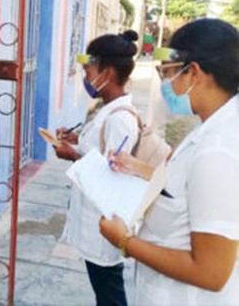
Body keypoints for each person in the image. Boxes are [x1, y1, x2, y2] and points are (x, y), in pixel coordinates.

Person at [100, 18, 239, 305]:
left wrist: (125, 242)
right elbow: (188, 189)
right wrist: (137, 167)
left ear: (195, 73)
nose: (165, 84)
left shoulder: (217, 151)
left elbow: (211, 272)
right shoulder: (211, 128)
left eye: (169, 74)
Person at [53, 30, 140, 305]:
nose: (86, 78)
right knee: (104, 293)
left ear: (109, 73)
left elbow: (112, 174)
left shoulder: (119, 120)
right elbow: (103, 152)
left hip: (104, 228)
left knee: (110, 296)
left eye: (89, 72)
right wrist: (77, 141)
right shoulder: (107, 111)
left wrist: (74, 157)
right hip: (94, 224)